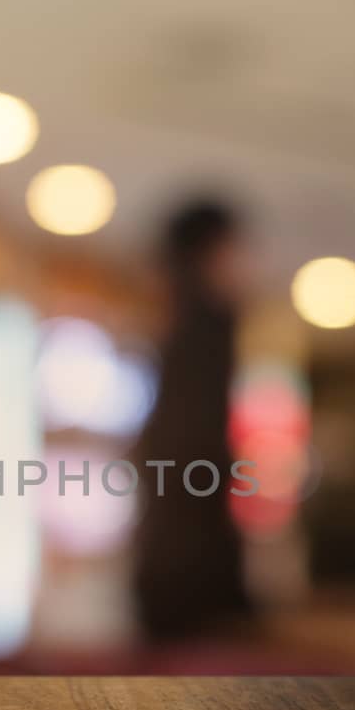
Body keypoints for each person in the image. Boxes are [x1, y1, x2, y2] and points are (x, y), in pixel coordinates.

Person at [133, 199, 256, 642]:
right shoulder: (206, 319)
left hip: (177, 505)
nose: (243, 263)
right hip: (188, 515)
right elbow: (195, 432)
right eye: (234, 250)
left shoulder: (181, 312)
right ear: (211, 250)